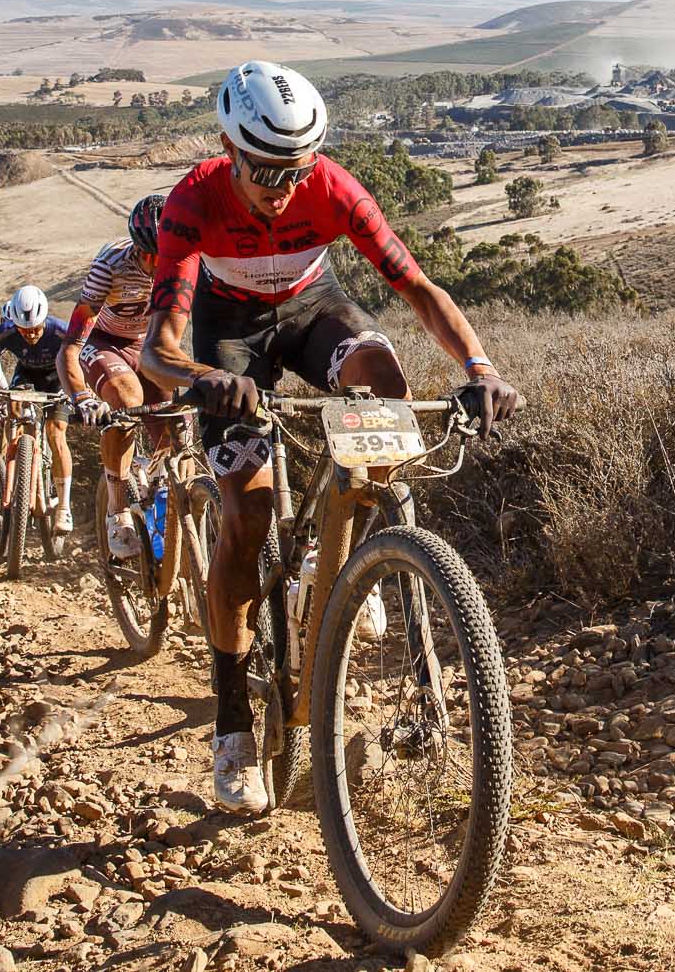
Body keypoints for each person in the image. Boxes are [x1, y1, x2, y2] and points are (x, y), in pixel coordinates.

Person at [139, 59, 521, 814]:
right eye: (263, 168)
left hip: (314, 309)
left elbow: (417, 288)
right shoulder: (193, 200)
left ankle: (354, 549)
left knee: (383, 378)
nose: (282, 187)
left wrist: (480, 365)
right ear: (228, 147)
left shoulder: (334, 187)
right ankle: (233, 727)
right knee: (246, 519)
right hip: (226, 335)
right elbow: (158, 346)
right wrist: (199, 380)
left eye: (297, 167)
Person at [67, 194, 171, 560]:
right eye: (151, 256)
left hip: (148, 344)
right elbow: (70, 345)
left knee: (178, 428)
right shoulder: (110, 265)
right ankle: (117, 509)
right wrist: (81, 396)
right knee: (127, 402)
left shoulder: (185, 261)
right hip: (104, 341)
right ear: (139, 250)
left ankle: (174, 514)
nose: (157, 265)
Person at [0, 285, 112, 533]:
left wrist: (88, 390)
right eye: (24, 331)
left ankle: (64, 507)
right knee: (14, 413)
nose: (30, 335)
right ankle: (13, 468)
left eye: (35, 330)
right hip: (26, 377)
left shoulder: (60, 330)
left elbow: (85, 358)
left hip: (58, 378)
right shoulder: (6, 332)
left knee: (56, 433)